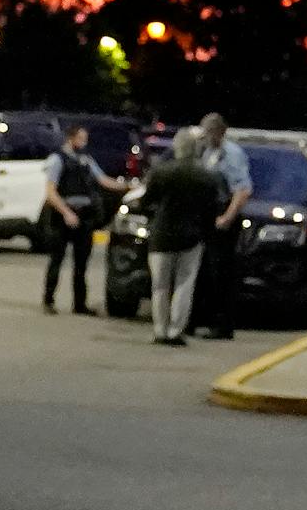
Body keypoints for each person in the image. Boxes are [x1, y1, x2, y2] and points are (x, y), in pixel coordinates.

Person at [141, 127, 221, 345]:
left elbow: (145, 202)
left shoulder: (161, 172)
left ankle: (160, 329)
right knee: (185, 284)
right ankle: (176, 330)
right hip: (192, 237)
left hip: (162, 235)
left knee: (160, 285)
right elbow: (212, 209)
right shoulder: (207, 177)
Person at [38, 124, 127, 315]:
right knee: (57, 259)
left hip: (84, 215)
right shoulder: (57, 160)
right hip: (62, 215)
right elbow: (51, 193)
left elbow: (102, 180)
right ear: (71, 138)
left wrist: (128, 187)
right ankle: (48, 300)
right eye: (81, 139)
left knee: (82, 262)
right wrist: (66, 212)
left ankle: (80, 304)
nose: (84, 143)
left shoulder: (86, 160)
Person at [192, 111, 253, 340]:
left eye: (208, 132)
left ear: (219, 132)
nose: (205, 137)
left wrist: (227, 217)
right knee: (203, 271)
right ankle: (199, 319)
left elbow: (242, 189)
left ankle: (223, 324)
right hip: (206, 216)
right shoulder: (206, 151)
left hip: (223, 215)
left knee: (222, 273)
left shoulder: (232, 154)